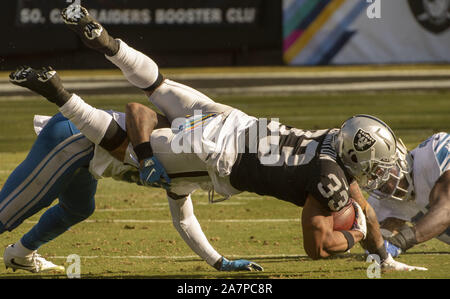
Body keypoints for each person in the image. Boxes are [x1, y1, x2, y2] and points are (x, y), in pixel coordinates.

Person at [23, 4, 425, 271]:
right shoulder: (330, 180)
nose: (379, 172)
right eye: (376, 164)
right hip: (220, 155)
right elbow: (317, 247)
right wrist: (354, 233)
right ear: (355, 159)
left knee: (158, 83)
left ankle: (107, 43)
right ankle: (58, 92)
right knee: (125, 144)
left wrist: (382, 257)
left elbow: (365, 207)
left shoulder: (334, 138)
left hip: (236, 121)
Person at [2, 67, 263, 273]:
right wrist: (146, 156)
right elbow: (137, 110)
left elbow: (184, 220)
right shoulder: (193, 141)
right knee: (6, 214)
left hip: (88, 160)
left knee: (79, 208)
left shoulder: (189, 179)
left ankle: (20, 254)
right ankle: (55, 91)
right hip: (74, 138)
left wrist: (219, 262)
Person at [367, 134, 450, 255]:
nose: (385, 187)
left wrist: (401, 241)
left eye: (384, 173)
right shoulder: (381, 201)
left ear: (397, 157)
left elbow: (446, 211)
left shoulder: (434, 154)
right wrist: (381, 241)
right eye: (373, 178)